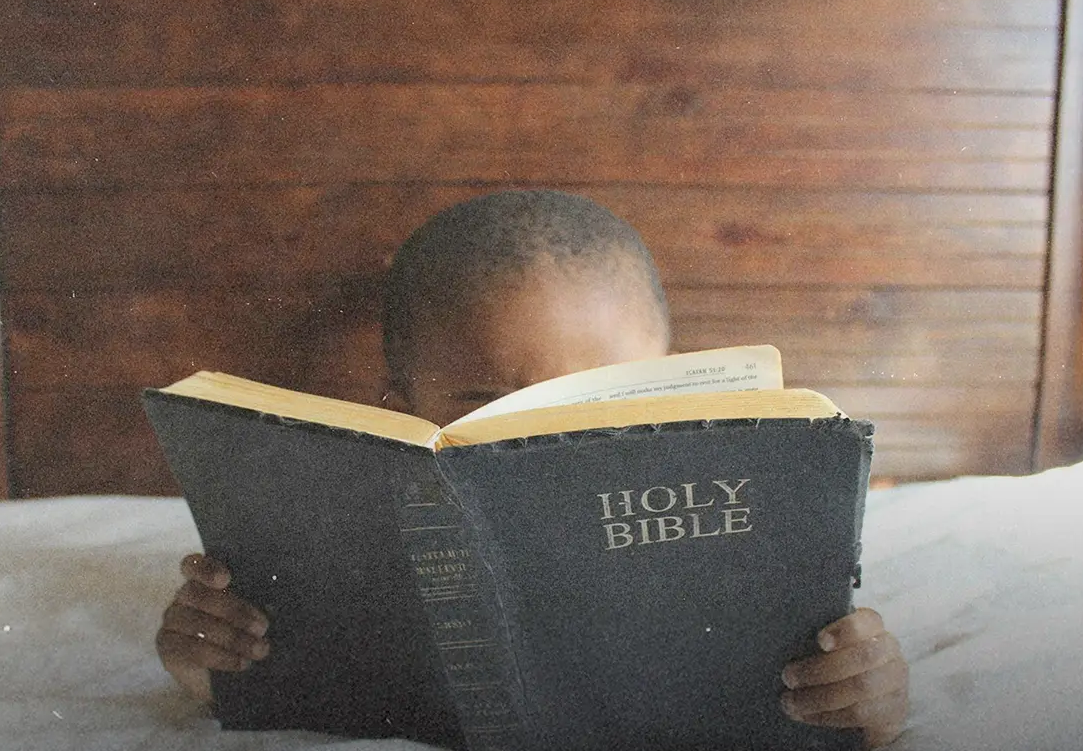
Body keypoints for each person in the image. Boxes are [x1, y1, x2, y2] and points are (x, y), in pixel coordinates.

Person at [156, 189, 909, 747]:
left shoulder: (750, 504)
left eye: (599, 397)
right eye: (483, 402)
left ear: (686, 383)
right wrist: (212, 663)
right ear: (404, 405)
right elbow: (285, 681)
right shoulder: (340, 531)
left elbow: (844, 698)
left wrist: (868, 701)